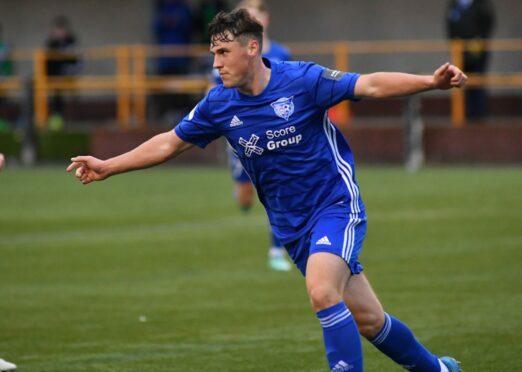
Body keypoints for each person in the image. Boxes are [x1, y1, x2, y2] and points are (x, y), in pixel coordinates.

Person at [67, 9, 467, 372]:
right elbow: (170, 143)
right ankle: (440, 370)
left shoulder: (303, 80)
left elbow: (370, 85)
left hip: (335, 205)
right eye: (213, 54)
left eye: (223, 53)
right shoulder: (218, 104)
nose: (216, 63)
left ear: (252, 48)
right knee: (368, 320)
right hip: (291, 226)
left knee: (323, 291)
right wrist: (108, 166)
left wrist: (431, 82)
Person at [221, 0, 292, 271]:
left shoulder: (283, 53)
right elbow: (217, 92)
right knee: (245, 197)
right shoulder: (230, 56)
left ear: (266, 20)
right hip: (243, 135)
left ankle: (276, 251)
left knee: (280, 190)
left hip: (278, 133)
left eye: (256, 15)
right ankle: (242, 190)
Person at [446, 0, 495, 120]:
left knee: (476, 83)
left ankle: (478, 115)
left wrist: (479, 41)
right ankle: (463, 115)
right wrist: (455, 43)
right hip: (459, 54)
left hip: (478, 54)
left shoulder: (482, 5)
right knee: (459, 83)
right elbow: (450, 26)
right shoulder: (454, 5)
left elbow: (488, 25)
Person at [45, 16, 79, 130]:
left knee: (64, 98)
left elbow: (75, 59)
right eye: (58, 29)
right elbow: (46, 61)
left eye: (62, 29)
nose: (60, 32)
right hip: (54, 76)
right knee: (56, 98)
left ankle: (66, 120)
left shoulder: (71, 41)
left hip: (68, 75)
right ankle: (56, 119)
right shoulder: (51, 43)